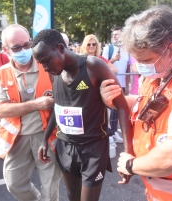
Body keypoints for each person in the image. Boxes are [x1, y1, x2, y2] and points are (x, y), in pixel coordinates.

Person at [100, 6, 172, 201]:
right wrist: (114, 99)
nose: (139, 65)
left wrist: (130, 165)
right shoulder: (164, 70)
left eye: (145, 59)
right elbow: (147, 105)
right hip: (159, 192)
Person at [32, 29, 133, 201]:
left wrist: (128, 154)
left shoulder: (94, 66)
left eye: (46, 61)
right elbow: (59, 106)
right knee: (72, 195)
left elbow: (123, 107)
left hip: (93, 148)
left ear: (60, 48)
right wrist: (44, 139)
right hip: (65, 146)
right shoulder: (54, 72)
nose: (45, 67)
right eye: (41, 64)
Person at [0, 24, 61, 201]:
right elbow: (1, 110)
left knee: (50, 188)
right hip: (17, 138)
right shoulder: (1, 74)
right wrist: (36, 104)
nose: (24, 50)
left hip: (47, 135)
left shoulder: (46, 64)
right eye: (17, 47)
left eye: (27, 45)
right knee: (14, 184)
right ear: (5, 49)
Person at [102, 27, 131, 144]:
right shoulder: (107, 49)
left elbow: (128, 68)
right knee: (110, 110)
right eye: (113, 35)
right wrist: (113, 59)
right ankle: (109, 133)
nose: (115, 36)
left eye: (117, 35)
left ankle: (114, 132)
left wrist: (128, 85)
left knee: (119, 110)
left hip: (122, 84)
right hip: (111, 83)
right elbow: (103, 65)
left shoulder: (127, 51)